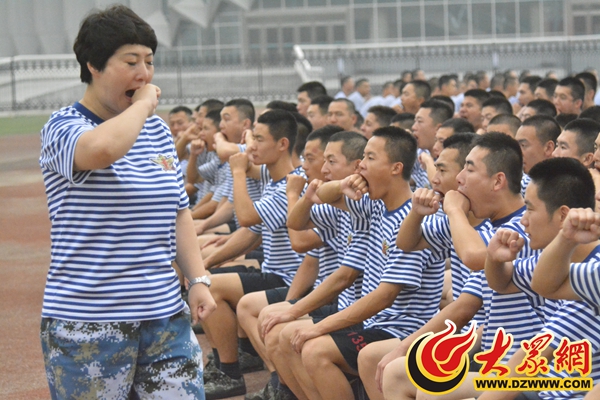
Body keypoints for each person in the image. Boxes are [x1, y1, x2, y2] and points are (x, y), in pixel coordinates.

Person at [38, 5, 216, 398]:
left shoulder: (155, 131)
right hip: (89, 323)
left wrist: (198, 279)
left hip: (164, 316)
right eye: (131, 61)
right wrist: (143, 106)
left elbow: (178, 211)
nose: (144, 73)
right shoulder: (63, 127)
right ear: (94, 65)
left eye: (149, 61)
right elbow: (101, 151)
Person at [277, 127, 445, 400]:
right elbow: (315, 202)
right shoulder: (374, 205)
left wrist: (318, 326)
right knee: (290, 336)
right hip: (374, 323)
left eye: (370, 157)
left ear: (396, 168)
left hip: (401, 329)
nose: (361, 165)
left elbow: (385, 296)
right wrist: (342, 184)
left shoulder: (414, 220)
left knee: (314, 349)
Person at [200, 110, 305, 399]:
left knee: (211, 286)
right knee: (205, 278)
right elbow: (252, 232)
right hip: (273, 271)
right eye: (251, 140)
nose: (250, 148)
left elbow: (246, 218)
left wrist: (237, 171)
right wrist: (207, 262)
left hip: (288, 277)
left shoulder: (290, 186)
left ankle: (234, 374)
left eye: (258, 140)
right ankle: (228, 363)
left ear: (282, 144)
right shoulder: (274, 177)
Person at [478, 157, 599, 400]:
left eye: (530, 209)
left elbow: (531, 354)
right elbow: (503, 282)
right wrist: (494, 258)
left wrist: (566, 237)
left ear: (563, 215)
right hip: (542, 384)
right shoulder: (554, 261)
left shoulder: (593, 272)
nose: (523, 220)